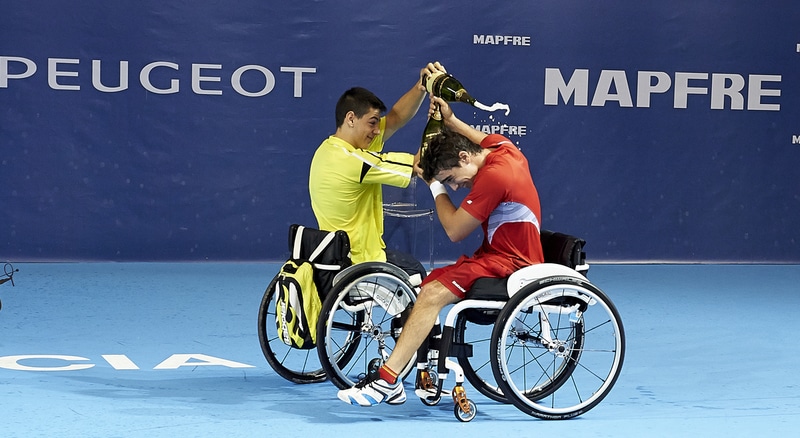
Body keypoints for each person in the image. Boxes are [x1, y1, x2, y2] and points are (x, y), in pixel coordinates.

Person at [337, 95, 545, 406]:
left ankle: (387, 381)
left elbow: (454, 229)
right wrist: (449, 119)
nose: (456, 187)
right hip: (494, 255)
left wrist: (433, 184)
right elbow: (478, 137)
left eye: (451, 179)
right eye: (448, 182)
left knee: (432, 293)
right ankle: (413, 365)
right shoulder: (504, 150)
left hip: (511, 263)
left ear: (464, 157)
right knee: (424, 286)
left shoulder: (494, 177)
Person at [308, 62, 447, 279]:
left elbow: (395, 119)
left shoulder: (328, 150)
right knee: (419, 274)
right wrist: (438, 120)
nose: (376, 130)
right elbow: (418, 164)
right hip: (360, 260)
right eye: (372, 123)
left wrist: (422, 86)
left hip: (333, 257)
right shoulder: (355, 161)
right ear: (351, 118)